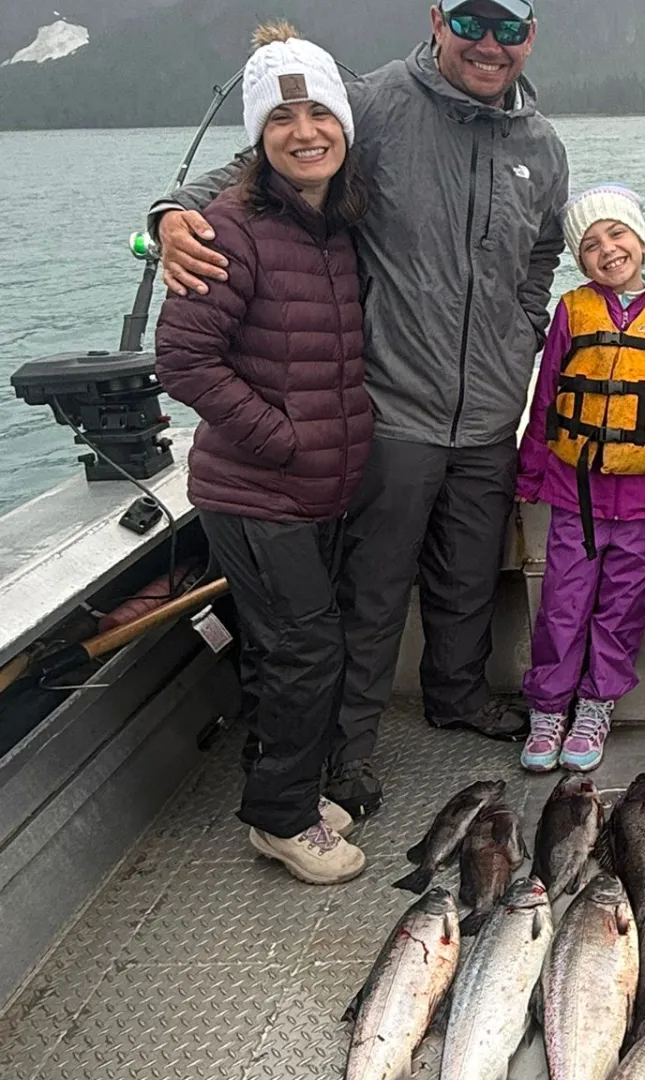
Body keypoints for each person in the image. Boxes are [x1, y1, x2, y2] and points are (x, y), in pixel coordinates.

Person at [151, 0, 569, 817]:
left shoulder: (542, 145)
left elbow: (543, 249)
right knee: (374, 594)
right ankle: (349, 747)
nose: (490, 43)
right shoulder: (371, 104)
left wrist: (521, 329)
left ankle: (457, 695)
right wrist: (168, 213)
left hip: (489, 409)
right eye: (473, 23)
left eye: (509, 29)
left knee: (467, 577)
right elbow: (253, 169)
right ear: (438, 20)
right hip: (393, 409)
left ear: (530, 37)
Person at [154, 23, 370, 884]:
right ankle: (281, 821)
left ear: (346, 126)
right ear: (257, 136)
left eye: (320, 111)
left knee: (299, 645)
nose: (305, 130)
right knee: (303, 651)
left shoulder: (334, 226)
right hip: (259, 492)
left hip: (316, 490)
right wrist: (280, 438)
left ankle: (290, 791)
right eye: (282, 119)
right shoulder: (227, 229)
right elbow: (183, 361)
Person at [515, 185, 645, 773]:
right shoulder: (572, 310)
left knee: (621, 610)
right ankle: (548, 707)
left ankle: (595, 706)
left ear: (640, 240)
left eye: (617, 235)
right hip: (577, 498)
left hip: (643, 505)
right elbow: (546, 400)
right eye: (591, 244)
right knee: (562, 606)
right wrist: (531, 472)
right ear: (579, 258)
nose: (607, 250)